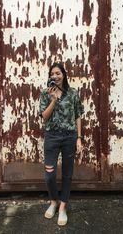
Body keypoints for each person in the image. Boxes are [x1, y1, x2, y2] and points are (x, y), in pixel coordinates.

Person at [39, 62, 84, 226]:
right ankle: (53, 201)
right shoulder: (45, 93)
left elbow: (78, 115)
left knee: (67, 173)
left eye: (58, 73)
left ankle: (63, 207)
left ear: (63, 75)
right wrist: (53, 100)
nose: (55, 76)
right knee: (49, 174)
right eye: (52, 74)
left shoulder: (72, 93)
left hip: (69, 137)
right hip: (51, 136)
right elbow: (44, 117)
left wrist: (79, 137)